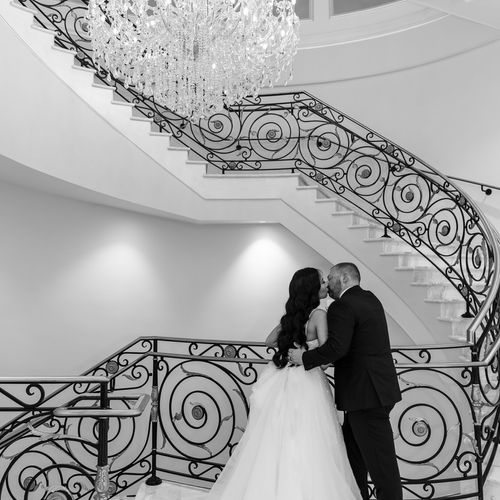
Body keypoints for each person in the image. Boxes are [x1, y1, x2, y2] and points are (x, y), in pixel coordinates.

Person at [135, 267, 361, 500]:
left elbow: (269, 340)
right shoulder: (319, 315)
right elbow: (326, 355)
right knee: (309, 438)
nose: (326, 285)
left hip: (282, 377)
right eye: (322, 282)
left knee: (276, 437)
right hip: (305, 380)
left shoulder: (294, 315)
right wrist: (308, 352)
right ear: (313, 288)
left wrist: (293, 345)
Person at [288, 262, 402, 500]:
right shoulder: (371, 299)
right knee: (353, 459)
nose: (327, 283)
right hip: (375, 391)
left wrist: (305, 357)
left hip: (365, 396)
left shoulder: (343, 306)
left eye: (330, 278)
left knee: (382, 468)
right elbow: (356, 345)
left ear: (345, 278)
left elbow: (337, 348)